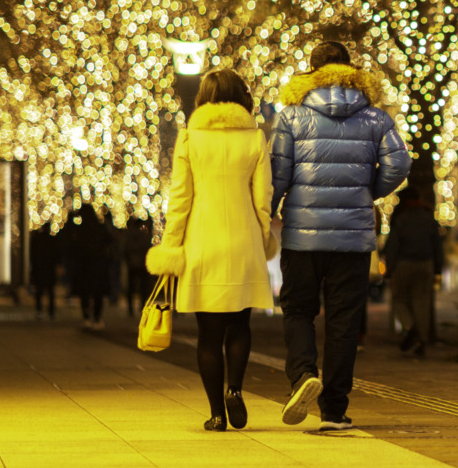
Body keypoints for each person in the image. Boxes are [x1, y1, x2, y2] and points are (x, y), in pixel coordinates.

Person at [271, 41, 410, 431]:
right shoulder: (375, 118)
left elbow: (277, 173)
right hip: (353, 236)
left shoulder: (291, 117)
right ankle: (333, 409)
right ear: (350, 69)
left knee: (298, 309)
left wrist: (270, 210)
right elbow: (400, 162)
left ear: (311, 71)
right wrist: (368, 192)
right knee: (344, 320)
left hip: (302, 236)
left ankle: (302, 374)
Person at [147, 68, 277, 432]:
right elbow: (263, 197)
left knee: (208, 334)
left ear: (204, 97)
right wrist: (262, 236)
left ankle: (217, 413)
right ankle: (235, 388)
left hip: (202, 240)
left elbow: (180, 198)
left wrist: (171, 246)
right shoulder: (255, 138)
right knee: (240, 325)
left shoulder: (190, 138)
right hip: (243, 238)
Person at [381, 185, 444, 358]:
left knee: (399, 298)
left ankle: (410, 327)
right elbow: (437, 245)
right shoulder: (429, 218)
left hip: (404, 263)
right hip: (426, 264)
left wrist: (389, 268)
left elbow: (393, 246)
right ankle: (421, 339)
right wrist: (438, 267)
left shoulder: (401, 218)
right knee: (422, 301)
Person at [63, 203, 114, 331]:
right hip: (98, 266)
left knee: (84, 293)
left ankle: (86, 317)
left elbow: (70, 245)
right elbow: (110, 241)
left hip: (84, 267)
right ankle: (97, 317)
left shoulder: (80, 230)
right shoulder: (100, 228)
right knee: (97, 294)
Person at [123, 214, 155, 317]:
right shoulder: (144, 235)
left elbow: (126, 249)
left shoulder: (129, 235)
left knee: (131, 287)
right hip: (141, 264)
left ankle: (130, 308)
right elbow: (147, 248)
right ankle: (142, 305)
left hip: (132, 264)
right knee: (143, 287)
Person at [28, 222, 59, 320]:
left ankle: (40, 310)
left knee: (39, 291)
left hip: (40, 268)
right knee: (50, 291)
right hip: (48, 269)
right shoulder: (51, 240)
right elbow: (56, 255)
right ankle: (50, 311)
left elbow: (33, 255)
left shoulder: (38, 239)